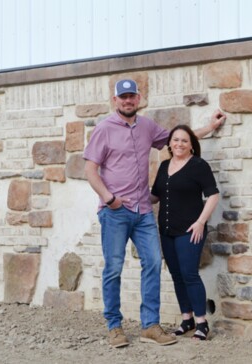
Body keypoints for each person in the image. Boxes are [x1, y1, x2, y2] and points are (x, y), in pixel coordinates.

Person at [83, 78, 226, 348]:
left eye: (132, 96)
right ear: (115, 100)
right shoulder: (103, 129)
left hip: (144, 213)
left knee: (153, 265)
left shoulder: (147, 127)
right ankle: (114, 327)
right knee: (113, 268)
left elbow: (180, 141)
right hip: (115, 212)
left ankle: (149, 325)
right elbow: (90, 169)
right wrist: (108, 198)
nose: (127, 101)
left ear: (139, 99)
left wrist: (210, 125)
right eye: (122, 97)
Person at [150, 124, 220, 341]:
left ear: (191, 145)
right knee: (177, 276)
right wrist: (130, 196)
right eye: (175, 140)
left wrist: (201, 222)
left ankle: (201, 322)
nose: (179, 144)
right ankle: (186, 319)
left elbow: (213, 196)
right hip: (167, 230)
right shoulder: (163, 166)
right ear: (169, 143)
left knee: (189, 274)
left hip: (190, 230)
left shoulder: (199, 165)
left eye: (184, 140)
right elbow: (155, 197)